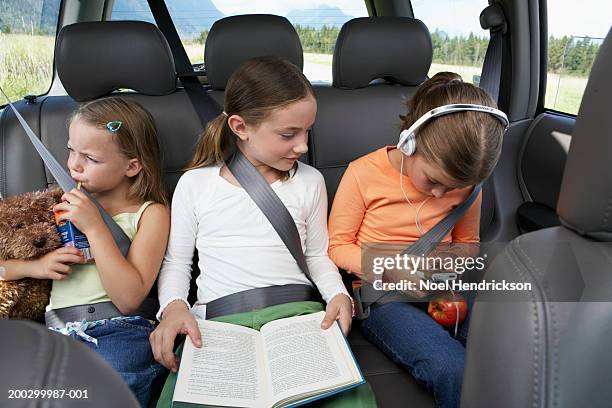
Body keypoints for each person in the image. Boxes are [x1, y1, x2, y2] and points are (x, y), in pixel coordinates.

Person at [150, 56, 376, 407]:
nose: (302, 146)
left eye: (307, 131)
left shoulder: (310, 182)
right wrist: (175, 308)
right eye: (289, 134)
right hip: (218, 326)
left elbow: (316, 254)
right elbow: (177, 262)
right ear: (241, 127)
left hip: (300, 318)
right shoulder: (196, 184)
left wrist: (337, 295)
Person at [327, 72, 507, 408]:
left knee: (507, 347)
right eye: (434, 180)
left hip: (443, 286)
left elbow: (469, 242)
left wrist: (442, 262)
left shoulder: (466, 187)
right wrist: (390, 269)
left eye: (452, 188)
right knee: (452, 368)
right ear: (409, 141)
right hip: (384, 296)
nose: (441, 193)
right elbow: (337, 246)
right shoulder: (363, 173)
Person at [0, 97, 170, 407]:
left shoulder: (150, 213)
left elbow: (129, 298)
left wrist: (96, 228)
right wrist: (36, 268)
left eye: (90, 157)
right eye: (70, 150)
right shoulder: (58, 203)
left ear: (132, 166)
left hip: (120, 332)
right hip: (56, 334)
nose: (74, 165)